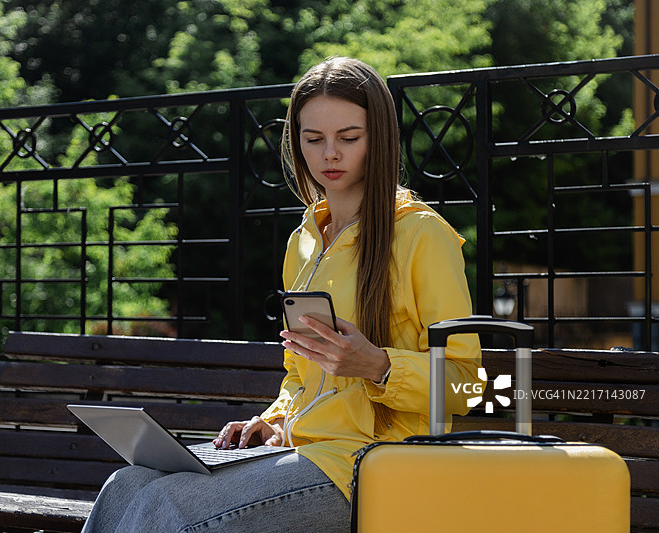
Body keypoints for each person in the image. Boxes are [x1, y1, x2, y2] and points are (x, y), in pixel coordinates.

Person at [81, 57, 483, 533]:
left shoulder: (422, 236)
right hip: (299, 451)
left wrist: (378, 366)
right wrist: (273, 421)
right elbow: (299, 374)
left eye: (349, 138)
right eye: (313, 140)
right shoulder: (305, 239)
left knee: (172, 506)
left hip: (371, 466)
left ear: (380, 138)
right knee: (127, 483)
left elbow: (466, 385)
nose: (329, 154)